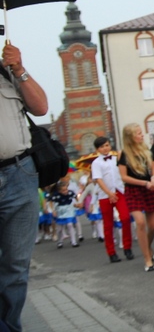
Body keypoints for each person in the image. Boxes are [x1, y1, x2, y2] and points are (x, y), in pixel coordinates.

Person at [0, 43, 47, 332]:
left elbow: (41, 107)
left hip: (19, 172)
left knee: (16, 266)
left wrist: (19, 69)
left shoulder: (7, 71)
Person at [118, 123, 154, 272]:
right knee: (140, 222)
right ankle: (147, 258)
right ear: (130, 137)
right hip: (133, 190)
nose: (142, 135)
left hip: (149, 189)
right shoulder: (123, 154)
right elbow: (124, 177)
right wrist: (144, 183)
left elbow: (153, 168)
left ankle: (147, 246)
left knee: (153, 226)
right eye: (138, 133)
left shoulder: (146, 150)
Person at [90, 136, 134, 263]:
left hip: (119, 191)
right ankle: (111, 252)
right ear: (97, 149)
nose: (105, 148)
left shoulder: (116, 158)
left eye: (107, 145)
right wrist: (108, 193)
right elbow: (98, 179)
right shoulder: (96, 163)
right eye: (102, 147)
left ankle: (127, 247)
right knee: (108, 224)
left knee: (125, 218)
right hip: (105, 195)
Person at [50, 181, 79, 248]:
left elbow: (76, 197)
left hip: (69, 209)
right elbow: (51, 202)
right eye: (63, 190)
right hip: (60, 210)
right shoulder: (56, 195)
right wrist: (53, 210)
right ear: (59, 190)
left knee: (70, 224)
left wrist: (78, 203)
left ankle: (73, 241)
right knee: (60, 228)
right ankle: (60, 241)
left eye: (66, 189)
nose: (65, 191)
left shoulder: (70, 193)